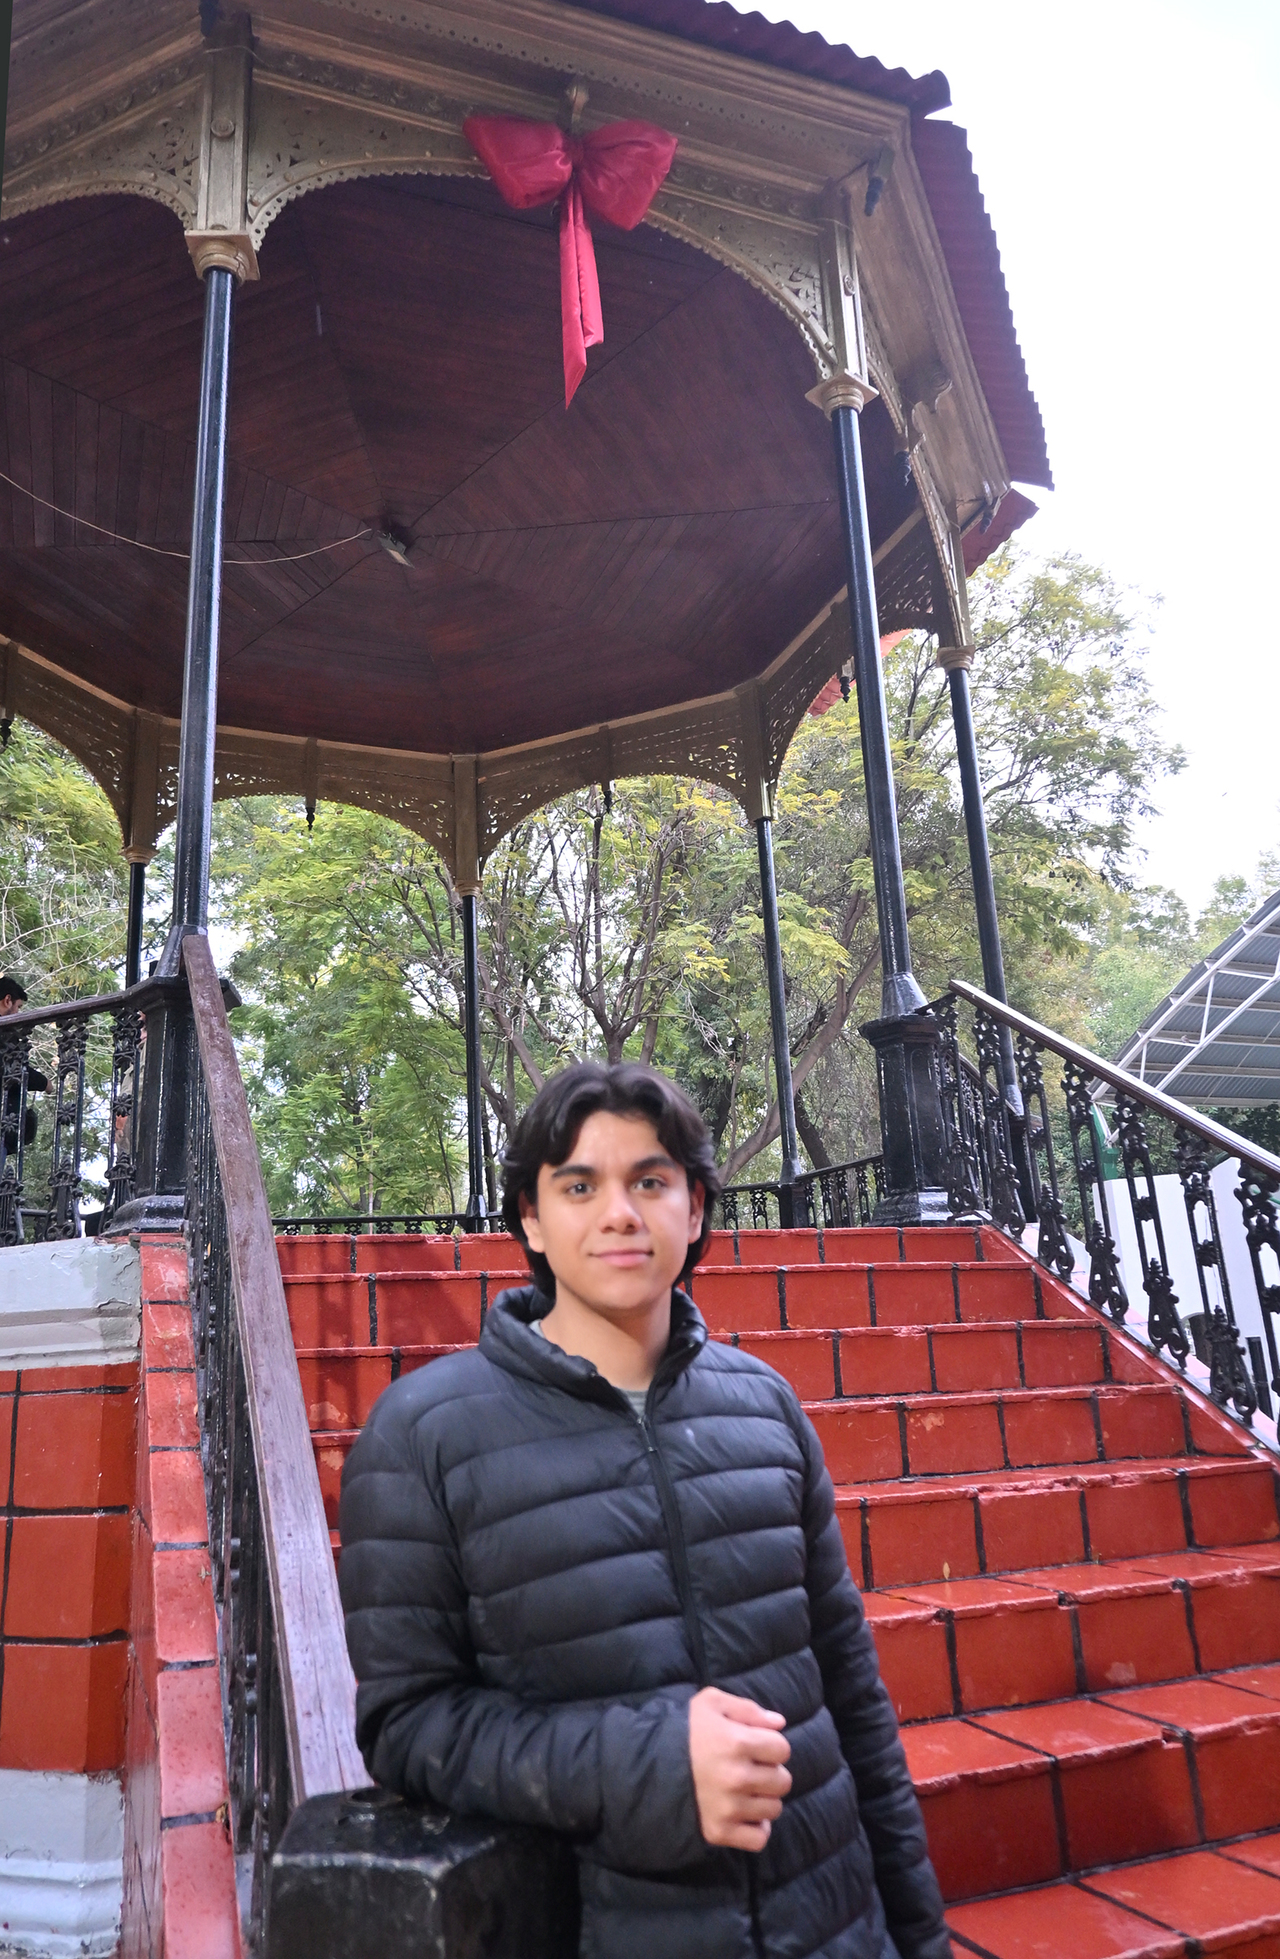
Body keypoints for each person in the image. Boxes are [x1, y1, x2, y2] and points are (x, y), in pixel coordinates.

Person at [339, 1061, 951, 1959]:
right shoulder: (421, 1435)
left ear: (694, 1209)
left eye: (651, 1181)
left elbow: (852, 1698)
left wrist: (920, 1938)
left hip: (837, 1924)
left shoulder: (766, 1407)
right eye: (580, 1185)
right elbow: (407, 1724)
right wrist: (648, 1762)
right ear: (531, 1217)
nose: (620, 1213)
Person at [0, 975, 47, 1150]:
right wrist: (45, 1083)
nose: (18, 1014)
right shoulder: (5, 1036)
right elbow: (14, 1067)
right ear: (7, 1001)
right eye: (18, 1007)